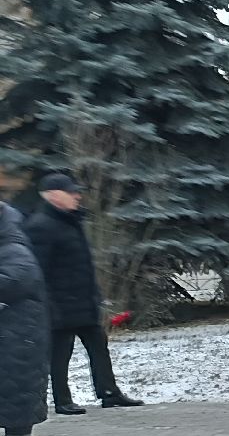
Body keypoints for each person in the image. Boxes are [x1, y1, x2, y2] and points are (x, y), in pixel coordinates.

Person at [23, 173, 141, 414]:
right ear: (54, 196)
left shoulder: (70, 222)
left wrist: (94, 295)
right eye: (71, 192)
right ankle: (62, 400)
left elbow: (80, 265)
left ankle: (109, 393)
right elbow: (38, 270)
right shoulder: (40, 226)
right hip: (60, 304)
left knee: (99, 346)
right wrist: (49, 305)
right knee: (60, 354)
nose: (77, 195)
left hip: (82, 301)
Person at [0, 200, 50, 436]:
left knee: (16, 385)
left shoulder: (13, 247)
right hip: (12, 330)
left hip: (18, 332)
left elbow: (17, 278)